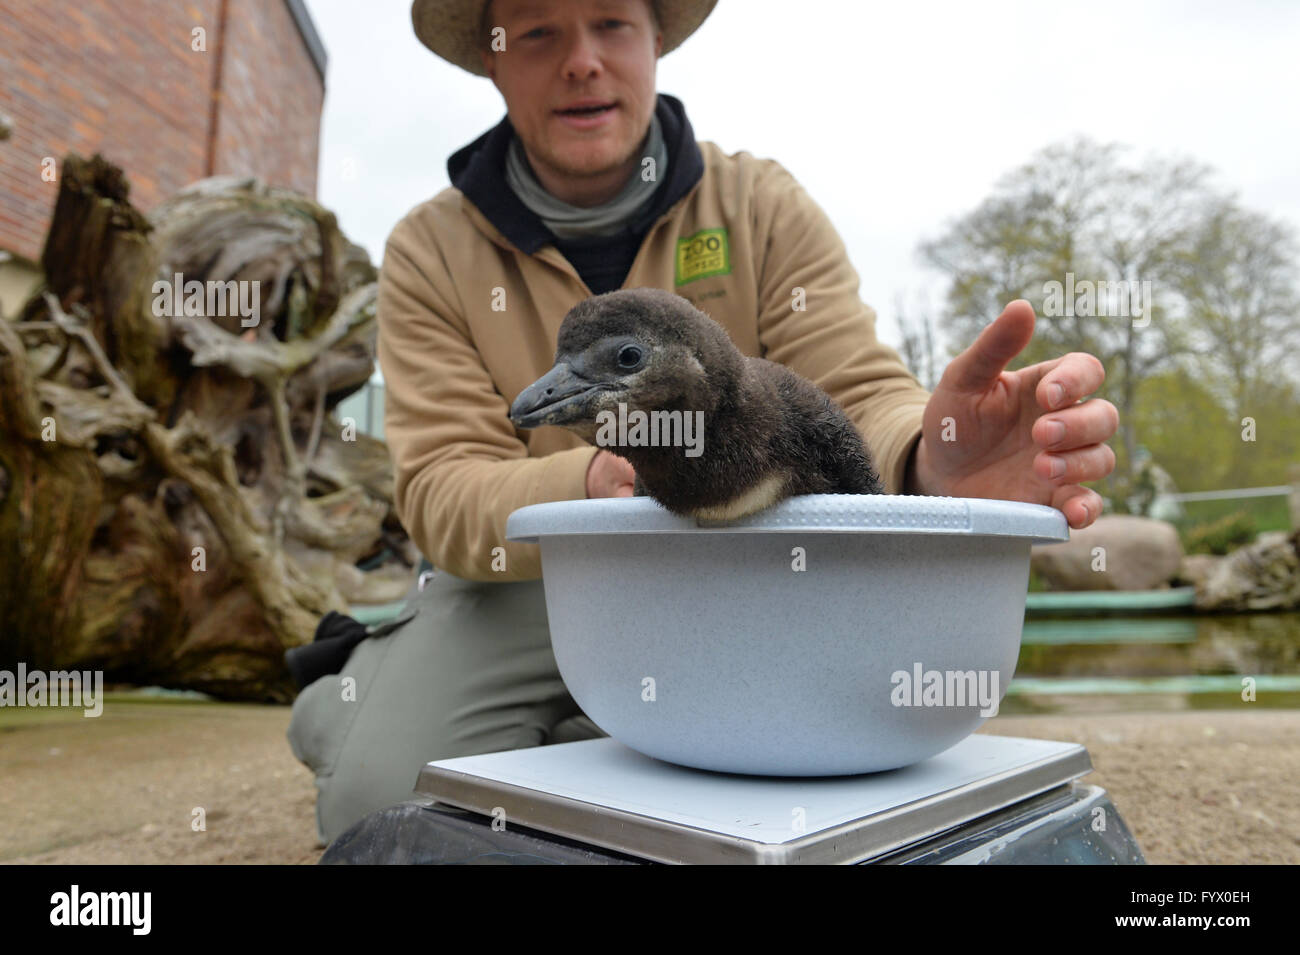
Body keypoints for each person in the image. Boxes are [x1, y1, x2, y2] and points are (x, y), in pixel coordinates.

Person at [288, 0, 1119, 845]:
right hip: (534, 577)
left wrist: (932, 457)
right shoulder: (433, 248)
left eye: (611, 22)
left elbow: (855, 392)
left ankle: (596, 731)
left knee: (815, 777)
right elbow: (440, 483)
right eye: (538, 31)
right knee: (382, 799)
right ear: (492, 59)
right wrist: (611, 481)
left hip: (757, 562)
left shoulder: (756, 203)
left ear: (656, 40)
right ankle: (354, 695)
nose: (581, 61)